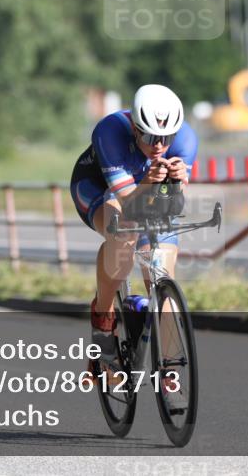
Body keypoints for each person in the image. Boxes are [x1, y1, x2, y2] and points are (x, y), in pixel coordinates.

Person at [69, 84, 197, 411]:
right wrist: (149, 182)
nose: (160, 146)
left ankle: (170, 373)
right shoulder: (110, 131)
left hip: (145, 190)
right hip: (98, 189)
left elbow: (170, 204)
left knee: (161, 274)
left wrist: (177, 182)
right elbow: (128, 205)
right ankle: (103, 319)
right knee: (124, 231)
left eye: (166, 139)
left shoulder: (184, 140)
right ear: (136, 128)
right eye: (152, 138)